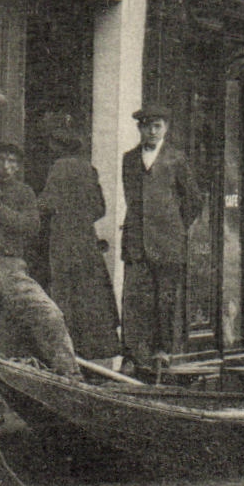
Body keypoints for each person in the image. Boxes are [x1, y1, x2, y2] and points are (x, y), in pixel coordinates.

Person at [0, 143, 82, 379]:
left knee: (50, 315)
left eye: (12, 161)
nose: (6, 166)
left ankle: (71, 376)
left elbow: (31, 226)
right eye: (1, 160)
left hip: (12, 268)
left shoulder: (24, 193)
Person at [119, 104, 202, 374]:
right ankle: (131, 355)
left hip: (168, 244)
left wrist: (175, 227)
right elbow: (132, 199)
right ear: (139, 128)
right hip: (136, 243)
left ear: (166, 128)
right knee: (133, 299)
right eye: (146, 126)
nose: (151, 131)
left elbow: (193, 201)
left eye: (157, 126)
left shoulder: (176, 159)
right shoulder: (129, 159)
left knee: (164, 300)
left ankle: (162, 353)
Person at [38, 123, 120, 362]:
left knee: (66, 295)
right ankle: (90, 353)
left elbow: (46, 204)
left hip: (64, 241)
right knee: (89, 296)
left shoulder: (58, 167)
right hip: (86, 242)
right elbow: (100, 208)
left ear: (57, 146)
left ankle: (66, 353)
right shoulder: (88, 168)